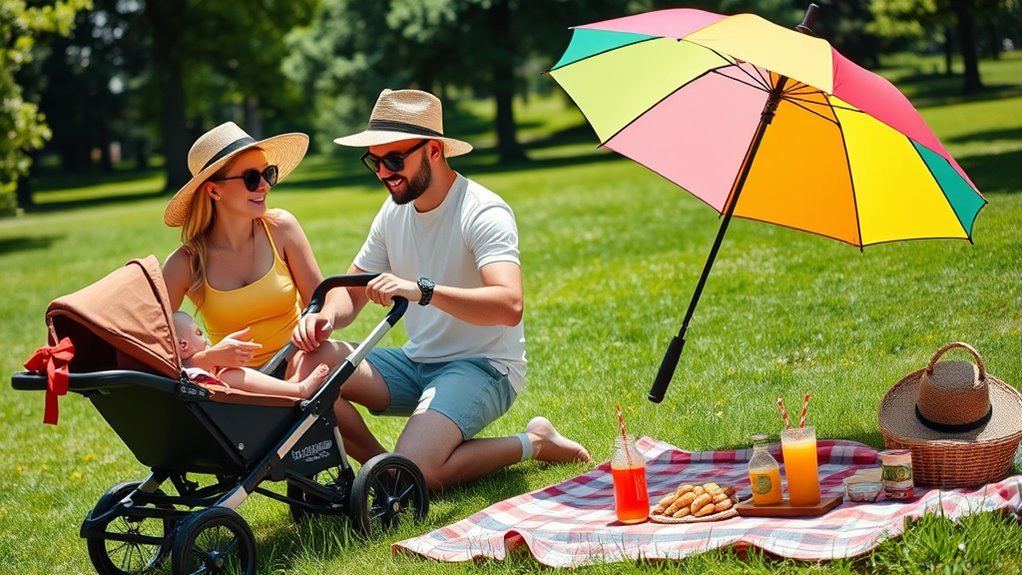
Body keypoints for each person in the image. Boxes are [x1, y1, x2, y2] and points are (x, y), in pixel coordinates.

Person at [290, 89, 591, 490]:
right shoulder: (392, 212)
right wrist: (325, 317)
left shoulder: (482, 210)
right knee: (309, 364)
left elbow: (509, 304)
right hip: (417, 361)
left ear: (433, 150)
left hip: (484, 366)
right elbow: (351, 290)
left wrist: (424, 290)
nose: (383, 173)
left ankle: (535, 442)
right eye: (374, 161)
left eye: (394, 160)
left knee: (425, 470)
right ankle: (389, 472)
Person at [162, 121, 324, 376]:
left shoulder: (281, 228)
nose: (264, 185)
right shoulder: (185, 263)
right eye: (251, 178)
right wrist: (206, 358)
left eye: (268, 173)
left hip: (300, 363)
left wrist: (314, 322)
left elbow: (321, 303)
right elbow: (149, 350)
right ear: (214, 190)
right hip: (237, 384)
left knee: (332, 368)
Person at [173, 311, 330, 398]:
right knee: (229, 375)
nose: (205, 338)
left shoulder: (173, 372)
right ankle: (299, 390)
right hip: (238, 409)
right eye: (198, 333)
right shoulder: (190, 374)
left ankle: (288, 387)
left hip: (232, 404)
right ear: (183, 345)